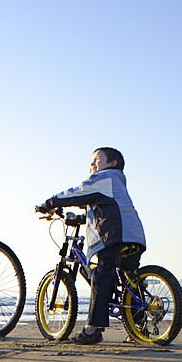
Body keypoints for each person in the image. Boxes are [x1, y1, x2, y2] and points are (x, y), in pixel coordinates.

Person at [36, 147, 146, 344]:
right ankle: (139, 326)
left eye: (97, 159)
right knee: (128, 278)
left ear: (113, 163)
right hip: (134, 234)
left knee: (101, 277)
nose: (92, 164)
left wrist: (50, 202)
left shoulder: (105, 178)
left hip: (115, 234)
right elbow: (101, 207)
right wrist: (81, 217)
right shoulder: (114, 185)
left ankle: (92, 329)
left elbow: (77, 192)